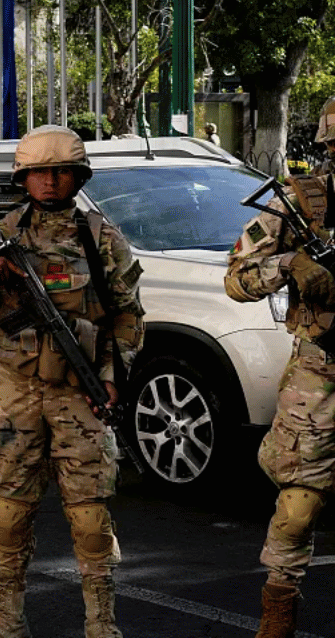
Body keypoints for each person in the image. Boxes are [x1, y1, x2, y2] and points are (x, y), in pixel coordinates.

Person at [0, 125, 143, 638]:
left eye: (60, 172)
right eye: (39, 173)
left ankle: (102, 623)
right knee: (9, 514)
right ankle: (7, 619)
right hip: (16, 391)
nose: (50, 182)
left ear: (77, 176)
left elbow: (128, 316)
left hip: (80, 390)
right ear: (23, 178)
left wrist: (113, 376)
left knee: (91, 518)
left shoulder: (101, 238)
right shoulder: (0, 231)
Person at [224, 96, 335, 638]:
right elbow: (236, 278)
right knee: (296, 507)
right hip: (322, 378)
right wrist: (291, 264)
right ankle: (277, 616)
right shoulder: (299, 205)